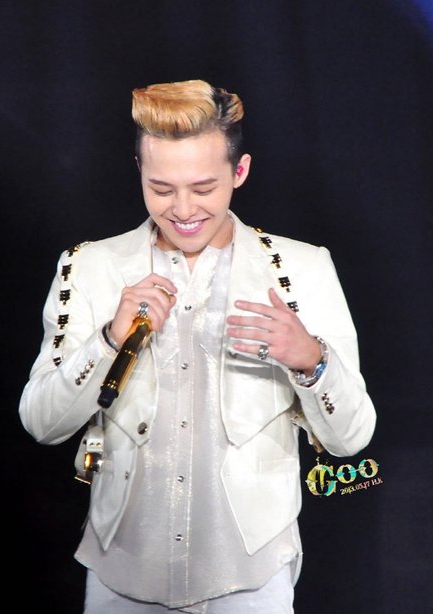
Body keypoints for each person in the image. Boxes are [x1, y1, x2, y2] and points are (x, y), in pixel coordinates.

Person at [19, 79, 376, 613]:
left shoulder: (303, 270)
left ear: (240, 171)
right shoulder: (90, 267)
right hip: (123, 573)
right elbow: (42, 423)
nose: (183, 208)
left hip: (252, 576)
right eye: (161, 188)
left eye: (203, 188)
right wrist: (108, 340)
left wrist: (312, 360)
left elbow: (351, 439)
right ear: (139, 170)